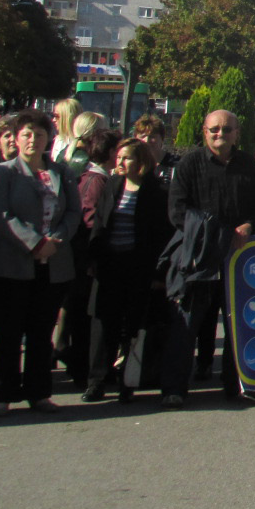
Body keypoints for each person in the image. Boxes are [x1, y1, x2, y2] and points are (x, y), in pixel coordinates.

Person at [160, 110, 255, 409]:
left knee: (240, 325)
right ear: (204, 131)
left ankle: (236, 384)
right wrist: (212, 233)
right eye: (214, 130)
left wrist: (250, 225)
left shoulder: (249, 166)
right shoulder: (189, 164)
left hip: (237, 260)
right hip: (198, 259)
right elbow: (176, 212)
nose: (220, 134)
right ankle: (174, 389)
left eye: (226, 129)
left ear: (237, 133)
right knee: (186, 325)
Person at [0, 110, 82, 416]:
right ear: (15, 138)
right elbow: (0, 214)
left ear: (48, 139)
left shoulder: (62, 172)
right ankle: (2, 394)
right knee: (8, 331)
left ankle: (39, 393)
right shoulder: (3, 172)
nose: (32, 140)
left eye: (39, 134)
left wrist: (55, 240)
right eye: (26, 134)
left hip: (53, 264)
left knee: (41, 332)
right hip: (11, 264)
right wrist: (34, 243)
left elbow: (73, 213)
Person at [83, 137, 171, 403]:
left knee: (134, 327)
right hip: (110, 266)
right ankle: (96, 382)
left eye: (126, 158)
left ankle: (128, 380)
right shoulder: (112, 185)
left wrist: (158, 274)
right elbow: (100, 223)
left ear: (141, 162)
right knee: (103, 325)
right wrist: (93, 260)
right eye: (118, 157)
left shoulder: (157, 191)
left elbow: (161, 235)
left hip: (138, 268)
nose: (120, 162)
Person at [61, 126, 121, 390]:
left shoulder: (94, 177)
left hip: (84, 260)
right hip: (86, 262)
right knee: (84, 318)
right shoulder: (97, 181)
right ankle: (81, 370)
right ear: (110, 152)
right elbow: (90, 222)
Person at [49, 96, 83, 165]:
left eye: (56, 116)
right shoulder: (58, 140)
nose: (53, 120)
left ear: (68, 117)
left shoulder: (83, 143)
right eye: (53, 116)